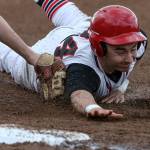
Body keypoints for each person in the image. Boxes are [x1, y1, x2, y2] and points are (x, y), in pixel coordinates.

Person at [0, 0, 147, 119]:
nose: (129, 59)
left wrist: (121, 87)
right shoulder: (84, 70)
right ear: (99, 48)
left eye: (132, 49)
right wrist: (92, 108)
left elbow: (134, 47)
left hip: (80, 26)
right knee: (6, 55)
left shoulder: (134, 41)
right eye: (120, 50)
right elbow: (79, 95)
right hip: (39, 58)